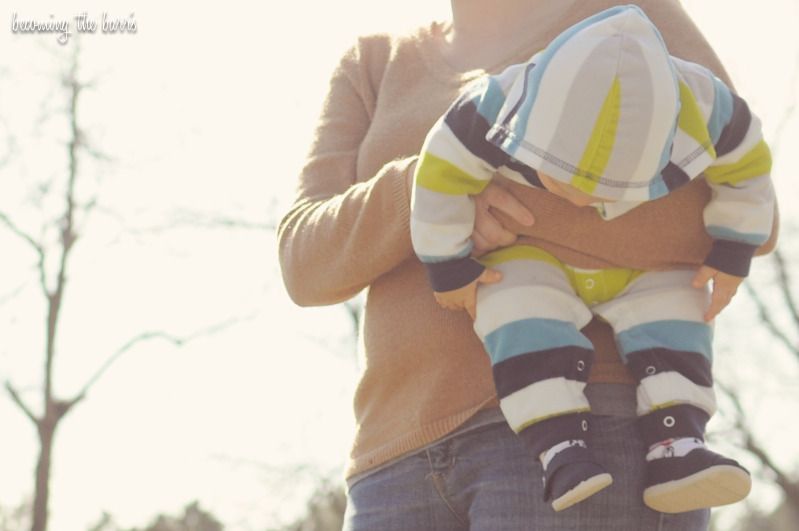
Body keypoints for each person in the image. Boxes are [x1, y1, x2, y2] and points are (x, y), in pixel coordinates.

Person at [277, 1, 778, 529]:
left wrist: (500, 182)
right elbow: (305, 265)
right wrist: (430, 185)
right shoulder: (372, 63)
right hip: (393, 459)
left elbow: (742, 212)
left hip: (593, 431)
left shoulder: (628, 20)